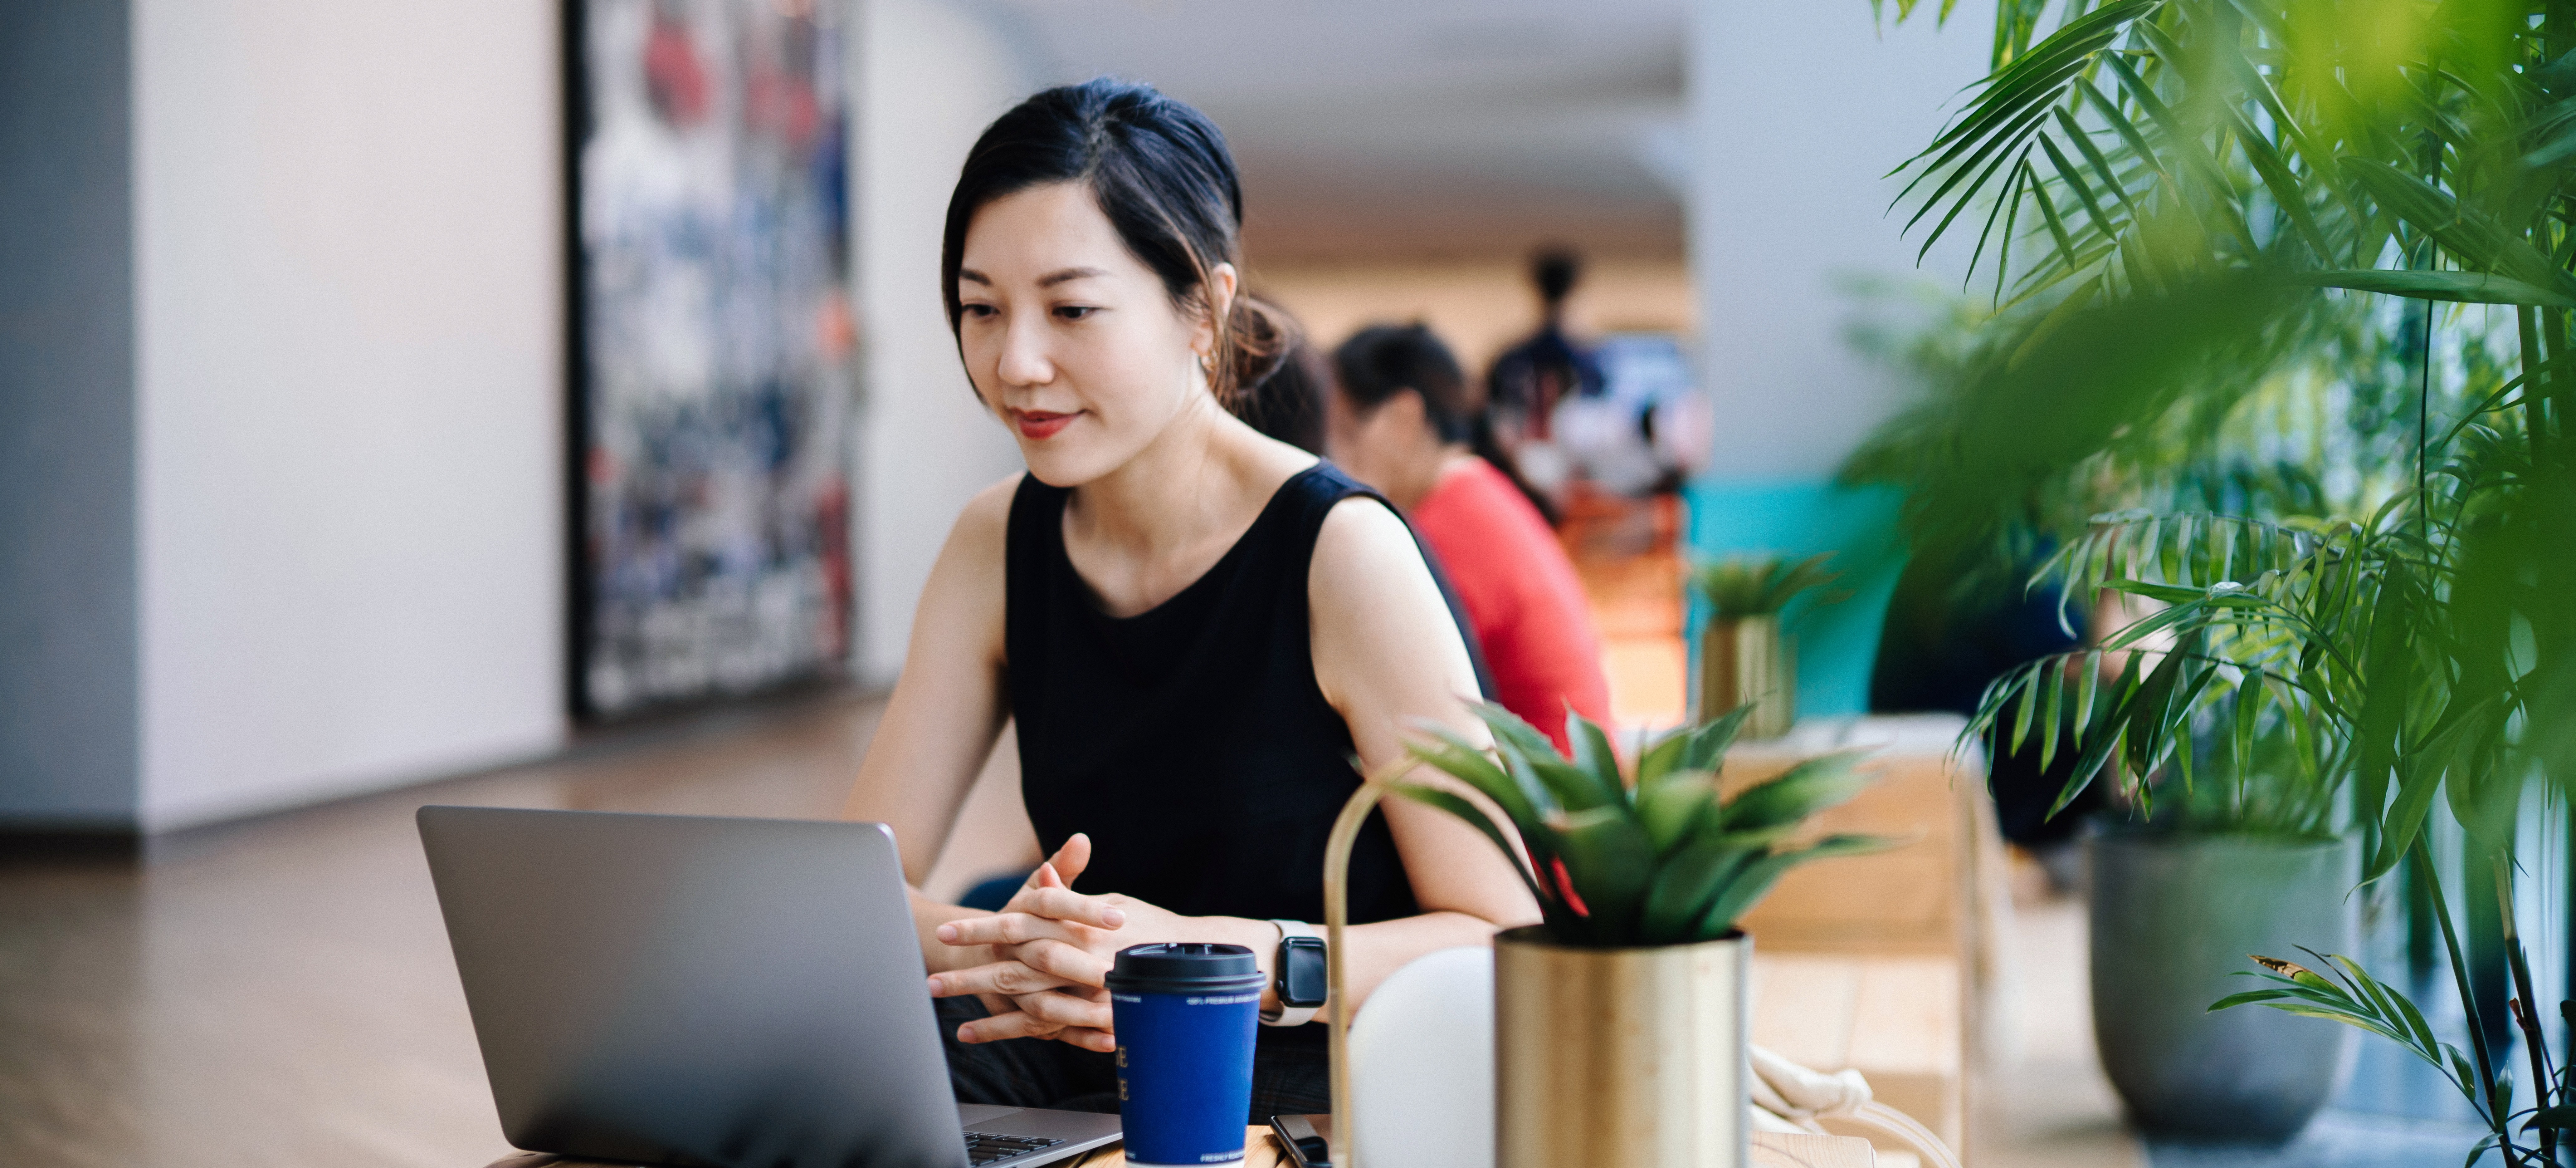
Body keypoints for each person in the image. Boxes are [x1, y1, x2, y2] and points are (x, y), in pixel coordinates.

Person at [838, 80, 1536, 1121]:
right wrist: (1039, 950)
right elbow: (853, 889)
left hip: (1308, 1066)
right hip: (1078, 1048)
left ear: (1203, 309)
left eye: (1072, 310)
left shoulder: (1340, 551)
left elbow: (1500, 936)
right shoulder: (996, 540)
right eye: (981, 308)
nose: (1016, 362)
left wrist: (1197, 958)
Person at [1326, 323, 1613, 751]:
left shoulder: (1441, 529)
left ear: (1403, 420)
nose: (1334, 459)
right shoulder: (1475, 495)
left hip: (1538, 788)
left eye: (1345, 433)